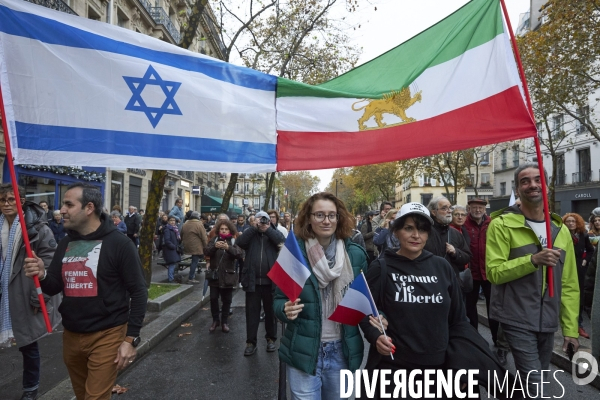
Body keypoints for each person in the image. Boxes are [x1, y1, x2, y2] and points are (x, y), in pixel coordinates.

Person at [24, 183, 147, 400]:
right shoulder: (65, 243)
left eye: (69, 204)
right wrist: (42, 274)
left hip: (107, 334)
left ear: (89, 208)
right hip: (71, 335)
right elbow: (54, 286)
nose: (62, 210)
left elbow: (139, 292)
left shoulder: (120, 244)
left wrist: (130, 340)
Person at [486, 163, 579, 396]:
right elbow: (494, 272)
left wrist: (570, 330)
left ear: (546, 186)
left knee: (538, 379)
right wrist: (533, 260)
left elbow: (568, 284)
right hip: (515, 316)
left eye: (538, 179)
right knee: (535, 382)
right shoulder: (501, 224)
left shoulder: (560, 229)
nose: (532, 185)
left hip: (547, 319)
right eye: (525, 181)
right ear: (517, 189)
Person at [359, 202, 465, 397]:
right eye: (409, 228)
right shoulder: (381, 267)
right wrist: (375, 337)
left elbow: (459, 320)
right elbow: (365, 312)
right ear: (396, 231)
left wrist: (460, 361)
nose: (416, 235)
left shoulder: (442, 267)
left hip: (438, 370)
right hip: (394, 369)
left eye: (423, 229)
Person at [273, 192, 368, 398]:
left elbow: (368, 301)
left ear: (338, 218)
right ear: (308, 218)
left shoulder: (356, 255)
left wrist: (380, 318)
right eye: (319, 215)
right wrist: (284, 309)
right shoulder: (293, 253)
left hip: (343, 351)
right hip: (304, 351)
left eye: (332, 215)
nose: (326, 221)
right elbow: (278, 300)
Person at [0, 184, 61, 400]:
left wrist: (39, 296)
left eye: (11, 199)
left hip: (25, 293)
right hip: (2, 293)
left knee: (28, 344)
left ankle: (30, 389)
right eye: (2, 200)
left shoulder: (37, 228)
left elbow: (50, 262)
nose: (6, 204)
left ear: (21, 201)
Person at [236, 210, 285, 356]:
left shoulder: (273, 232)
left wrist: (268, 229)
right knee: (252, 313)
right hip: (252, 281)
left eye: (265, 220)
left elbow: (282, 242)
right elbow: (240, 242)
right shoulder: (250, 233)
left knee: (270, 313)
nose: (262, 222)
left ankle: (271, 339)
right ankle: (251, 342)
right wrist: (254, 227)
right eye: (260, 220)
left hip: (271, 282)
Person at [204, 219, 242, 333]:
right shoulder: (214, 239)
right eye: (222, 229)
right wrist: (215, 246)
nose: (224, 231)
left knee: (227, 300)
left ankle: (224, 321)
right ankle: (215, 320)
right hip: (215, 276)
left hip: (228, 276)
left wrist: (228, 248)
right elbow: (206, 251)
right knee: (213, 298)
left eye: (226, 229)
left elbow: (239, 254)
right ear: (218, 229)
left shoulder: (233, 241)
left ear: (230, 230)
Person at [425, 196, 472, 291]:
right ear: (433, 212)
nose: (449, 211)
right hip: (428, 284)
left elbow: (467, 256)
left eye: (450, 207)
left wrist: (456, 252)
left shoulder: (455, 233)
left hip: (452, 285)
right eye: (444, 208)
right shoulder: (424, 233)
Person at [562, 212, 594, 339]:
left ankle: (579, 325)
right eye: (568, 221)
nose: (570, 223)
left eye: (573, 221)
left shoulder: (583, 236)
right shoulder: (561, 235)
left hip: (579, 270)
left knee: (578, 297)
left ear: (578, 223)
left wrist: (585, 260)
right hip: (565, 269)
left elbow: (591, 250)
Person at [181, 211, 208, 284]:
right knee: (194, 262)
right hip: (196, 246)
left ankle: (192, 276)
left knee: (195, 261)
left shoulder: (185, 224)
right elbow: (204, 237)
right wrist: (206, 247)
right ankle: (191, 277)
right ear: (198, 217)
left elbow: (181, 234)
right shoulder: (199, 224)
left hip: (187, 245)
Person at [162, 216, 181, 283]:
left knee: (173, 264)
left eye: (174, 220)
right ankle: (171, 279)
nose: (173, 222)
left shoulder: (175, 229)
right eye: (171, 220)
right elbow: (167, 241)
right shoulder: (167, 229)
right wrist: (174, 247)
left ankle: (172, 277)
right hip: (170, 249)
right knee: (171, 264)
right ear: (168, 221)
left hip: (173, 249)